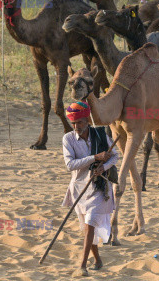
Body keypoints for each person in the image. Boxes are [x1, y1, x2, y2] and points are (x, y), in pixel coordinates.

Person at [61, 101, 118, 277]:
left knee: (91, 222)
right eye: (73, 123)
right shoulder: (68, 139)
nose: (76, 126)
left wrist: (103, 167)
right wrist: (94, 158)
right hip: (80, 188)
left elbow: (114, 156)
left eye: (79, 122)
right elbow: (70, 165)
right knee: (87, 228)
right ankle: (98, 260)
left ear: (87, 120)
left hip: (99, 187)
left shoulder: (100, 134)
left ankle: (82, 266)